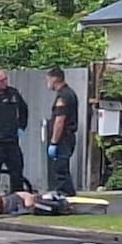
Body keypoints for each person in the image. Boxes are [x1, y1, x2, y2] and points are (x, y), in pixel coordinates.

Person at [0, 68, 30, 194]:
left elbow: (23, 110)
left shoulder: (13, 93)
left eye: (5, 79)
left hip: (12, 141)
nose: (4, 82)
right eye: (1, 81)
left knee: (17, 172)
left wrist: (21, 127)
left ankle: (17, 198)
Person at [45, 67, 79, 196]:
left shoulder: (63, 96)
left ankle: (64, 194)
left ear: (55, 79)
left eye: (48, 80)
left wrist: (54, 141)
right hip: (67, 137)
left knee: (60, 168)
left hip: (63, 138)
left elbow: (60, 121)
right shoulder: (69, 93)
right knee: (62, 168)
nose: (48, 83)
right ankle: (68, 193)